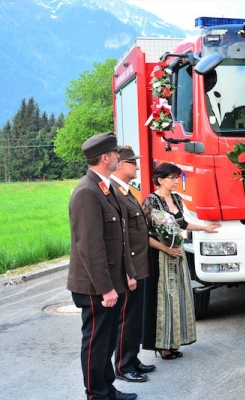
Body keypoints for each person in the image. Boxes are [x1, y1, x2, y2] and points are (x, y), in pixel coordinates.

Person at [67, 132, 138, 400]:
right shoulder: (87, 192)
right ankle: (96, 394)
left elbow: (117, 240)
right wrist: (106, 288)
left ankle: (108, 388)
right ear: (105, 157)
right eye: (116, 153)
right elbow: (90, 246)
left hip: (110, 283)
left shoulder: (102, 188)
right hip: (96, 287)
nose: (120, 157)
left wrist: (126, 275)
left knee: (107, 341)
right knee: (96, 343)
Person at [141, 163, 221, 359]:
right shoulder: (150, 201)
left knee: (178, 297)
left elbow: (182, 224)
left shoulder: (176, 198)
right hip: (159, 256)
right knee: (163, 299)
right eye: (173, 178)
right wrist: (164, 248)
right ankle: (162, 345)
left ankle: (174, 341)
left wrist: (204, 228)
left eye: (177, 177)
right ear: (160, 180)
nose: (177, 181)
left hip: (177, 255)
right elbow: (141, 234)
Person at [110, 147, 156, 382]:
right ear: (121, 165)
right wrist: (128, 271)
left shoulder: (126, 191)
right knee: (126, 317)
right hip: (130, 268)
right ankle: (123, 365)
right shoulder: (115, 194)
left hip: (139, 265)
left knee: (135, 316)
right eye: (133, 163)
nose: (137, 167)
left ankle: (132, 358)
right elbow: (122, 237)